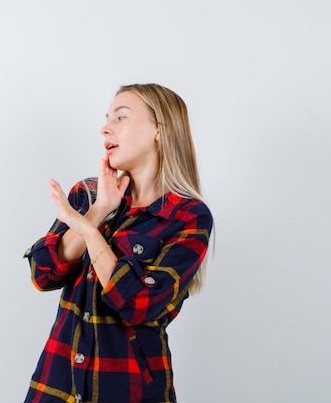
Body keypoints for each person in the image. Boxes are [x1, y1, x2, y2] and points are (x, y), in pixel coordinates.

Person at [23, 83, 213, 403]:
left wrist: (91, 233)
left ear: (159, 130)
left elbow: (137, 304)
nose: (105, 128)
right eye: (107, 118)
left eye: (120, 117)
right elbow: (43, 274)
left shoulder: (188, 216)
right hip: (57, 387)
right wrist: (97, 213)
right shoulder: (88, 194)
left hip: (129, 391)